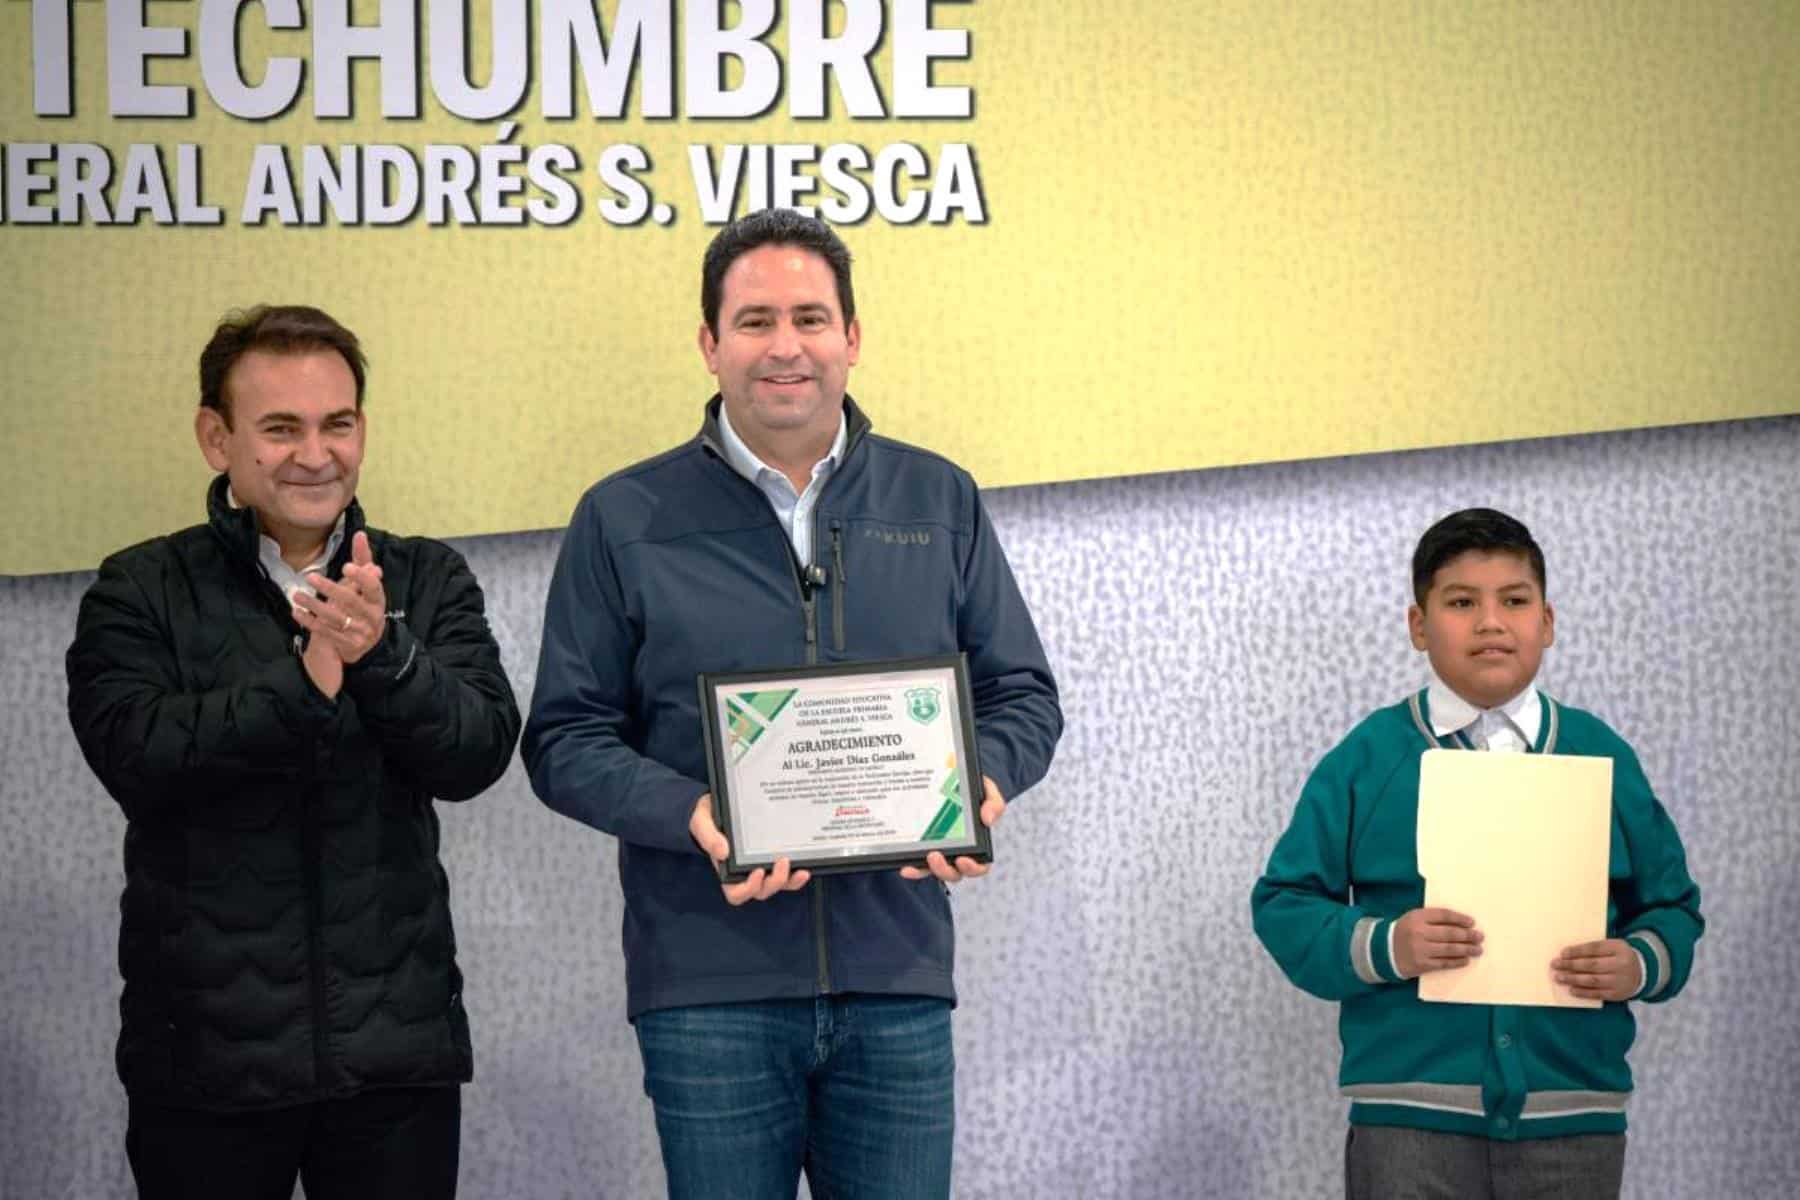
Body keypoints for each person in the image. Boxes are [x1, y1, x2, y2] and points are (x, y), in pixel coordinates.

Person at [522, 209, 1062, 1198]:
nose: (786, 346)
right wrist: (694, 814)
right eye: (756, 320)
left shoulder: (936, 498)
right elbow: (564, 738)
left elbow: (1021, 692)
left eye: (811, 318)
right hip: (707, 984)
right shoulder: (624, 515)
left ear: (852, 338)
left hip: (894, 974)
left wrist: (980, 783)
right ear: (710, 343)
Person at [65, 304, 520, 1199]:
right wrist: (307, 677)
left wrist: (381, 656)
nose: (316, 454)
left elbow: (477, 752)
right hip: (204, 1062)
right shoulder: (139, 587)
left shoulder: (426, 578)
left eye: (337, 424)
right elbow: (138, 757)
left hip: (396, 1058)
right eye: (280, 428)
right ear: (216, 437)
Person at [1250, 507, 1703, 1199]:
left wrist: (1639, 962)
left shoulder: (1603, 755)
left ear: (1546, 622)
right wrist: (1387, 945)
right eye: (1462, 602)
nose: (1491, 622)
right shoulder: (1367, 759)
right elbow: (1284, 905)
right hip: (1408, 1123)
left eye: (1514, 601)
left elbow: (1672, 908)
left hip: (1573, 1118)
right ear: (1419, 625)